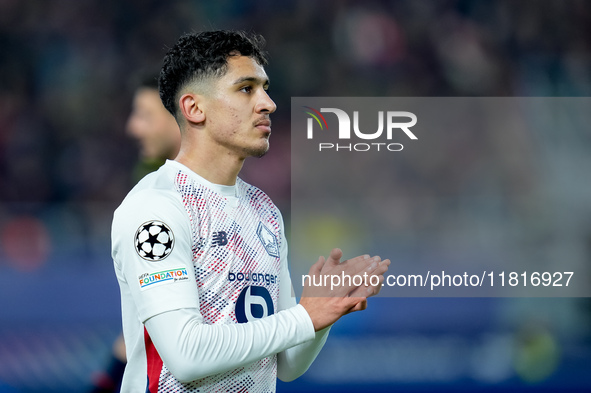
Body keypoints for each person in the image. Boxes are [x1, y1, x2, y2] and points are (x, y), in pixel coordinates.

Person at [111, 30, 390, 392]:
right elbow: (186, 355)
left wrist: (325, 310)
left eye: (265, 87)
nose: (268, 103)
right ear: (195, 108)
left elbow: (287, 364)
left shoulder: (264, 211)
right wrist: (306, 317)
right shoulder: (156, 207)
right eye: (246, 89)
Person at [91, 74, 181, 393]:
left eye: (145, 115)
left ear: (182, 114)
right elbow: (148, 315)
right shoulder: (150, 180)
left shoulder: (207, 196)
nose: (133, 127)